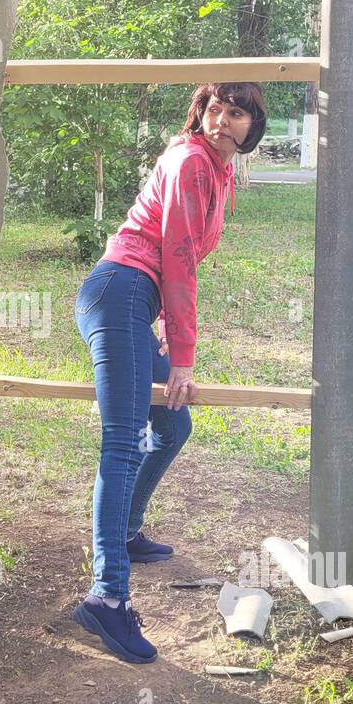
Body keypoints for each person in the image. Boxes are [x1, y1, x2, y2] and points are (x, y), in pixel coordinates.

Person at [71, 81, 267, 663]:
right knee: (123, 446)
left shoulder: (218, 169)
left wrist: (158, 331)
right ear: (200, 112)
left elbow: (172, 259)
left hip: (135, 301)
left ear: (252, 125)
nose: (222, 119)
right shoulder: (189, 162)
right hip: (121, 293)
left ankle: (127, 532)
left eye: (236, 112)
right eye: (214, 108)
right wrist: (181, 354)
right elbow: (177, 261)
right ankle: (107, 599)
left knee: (173, 426)